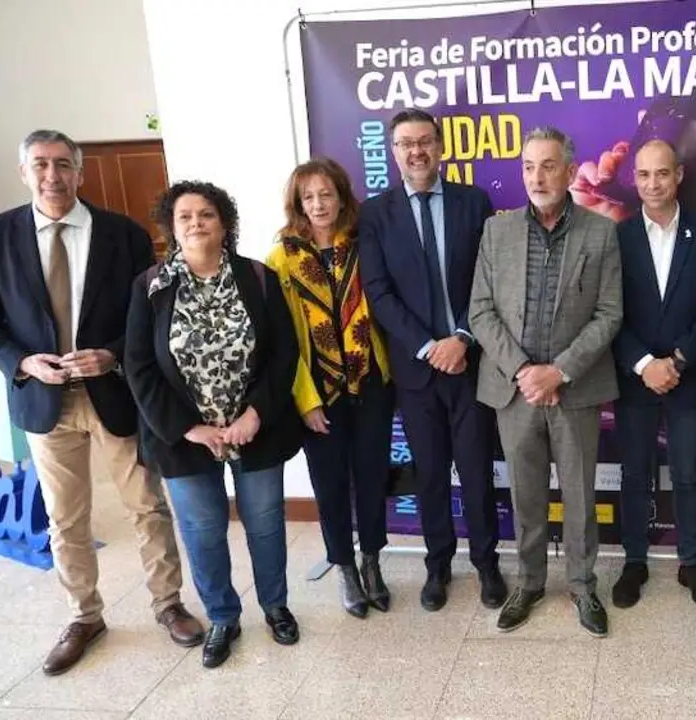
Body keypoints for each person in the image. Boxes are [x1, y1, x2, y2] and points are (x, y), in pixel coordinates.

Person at [0, 130, 202, 676]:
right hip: (45, 401)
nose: (53, 175)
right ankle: (83, 616)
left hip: (114, 394)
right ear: (24, 172)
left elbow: (150, 322)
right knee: (65, 518)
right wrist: (24, 363)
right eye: (41, 165)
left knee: (147, 506)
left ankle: (168, 605)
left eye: (63, 165)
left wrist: (113, 356)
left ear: (80, 171)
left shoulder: (123, 235)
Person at [125, 181, 303, 669]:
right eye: (184, 217)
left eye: (206, 214)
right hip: (185, 439)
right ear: (171, 227)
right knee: (203, 530)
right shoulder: (150, 287)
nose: (196, 223)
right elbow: (138, 366)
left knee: (265, 525)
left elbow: (284, 353)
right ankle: (223, 617)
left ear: (224, 224)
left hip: (255, 429)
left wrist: (255, 414)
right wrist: (187, 428)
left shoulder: (258, 278)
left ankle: (275, 606)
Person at [469, 127, 623, 637]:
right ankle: (530, 582)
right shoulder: (498, 232)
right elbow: (481, 311)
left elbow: (608, 313)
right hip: (514, 392)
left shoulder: (600, 232)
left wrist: (558, 371)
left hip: (575, 388)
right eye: (529, 167)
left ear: (568, 168)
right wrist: (524, 371)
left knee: (579, 496)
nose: (537, 176)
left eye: (549, 165)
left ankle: (582, 585)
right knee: (526, 495)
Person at [358, 110, 506, 612]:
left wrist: (461, 338)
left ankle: (487, 564)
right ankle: (438, 563)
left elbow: (490, 280)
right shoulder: (374, 214)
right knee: (430, 474)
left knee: (477, 470)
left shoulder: (474, 202)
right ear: (394, 152)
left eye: (424, 141)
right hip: (417, 371)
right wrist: (428, 346)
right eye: (405, 143)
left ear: (440, 148)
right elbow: (379, 294)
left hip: (470, 362)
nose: (416, 151)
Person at [265, 158, 394, 617]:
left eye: (326, 194)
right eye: (309, 197)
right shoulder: (282, 258)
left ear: (342, 196)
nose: (319, 204)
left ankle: (373, 561)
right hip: (317, 394)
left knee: (373, 476)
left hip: (370, 384)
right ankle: (344, 567)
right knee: (331, 484)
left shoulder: (363, 244)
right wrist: (304, 402)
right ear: (298, 204)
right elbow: (280, 340)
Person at [609, 139, 696, 612]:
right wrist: (644, 364)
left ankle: (691, 561)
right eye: (643, 175)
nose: (652, 184)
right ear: (634, 179)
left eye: (661, 173)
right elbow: (606, 312)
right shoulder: (615, 237)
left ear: (679, 174)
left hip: (687, 376)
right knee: (634, 474)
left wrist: (677, 362)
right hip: (634, 378)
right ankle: (634, 560)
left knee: (687, 474)